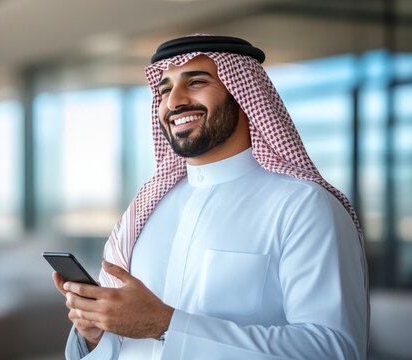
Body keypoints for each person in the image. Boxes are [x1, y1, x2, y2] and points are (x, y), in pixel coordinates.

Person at [52, 34, 368, 359]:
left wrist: (165, 324)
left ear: (243, 94)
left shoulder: (303, 206)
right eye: (164, 89)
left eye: (196, 81)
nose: (174, 101)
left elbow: (334, 350)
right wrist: (94, 335)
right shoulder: (144, 212)